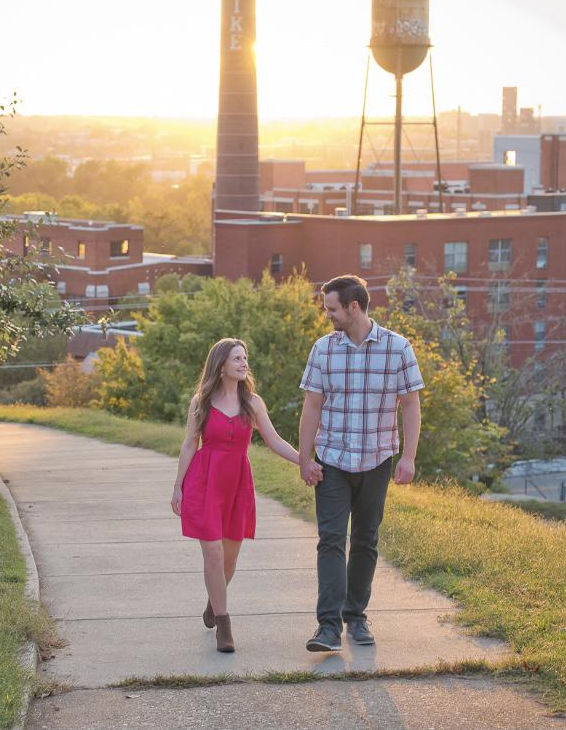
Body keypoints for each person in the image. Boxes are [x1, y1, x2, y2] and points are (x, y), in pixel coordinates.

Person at [298, 275, 424, 652]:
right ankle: (328, 627)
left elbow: (411, 404)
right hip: (332, 460)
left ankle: (356, 616)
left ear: (354, 307)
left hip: (377, 460)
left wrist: (409, 457)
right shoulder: (323, 349)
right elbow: (312, 406)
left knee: (366, 540)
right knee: (331, 540)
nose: (328, 316)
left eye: (332, 309)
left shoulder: (397, 348)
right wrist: (305, 457)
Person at [171, 338, 300, 653]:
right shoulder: (201, 401)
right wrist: (178, 486)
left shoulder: (252, 403)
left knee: (229, 559)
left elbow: (274, 440)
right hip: (205, 481)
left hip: (237, 484)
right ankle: (224, 626)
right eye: (237, 359)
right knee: (212, 555)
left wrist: (305, 461)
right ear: (221, 365)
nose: (244, 364)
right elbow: (190, 444)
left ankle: (214, 603)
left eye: (245, 359)